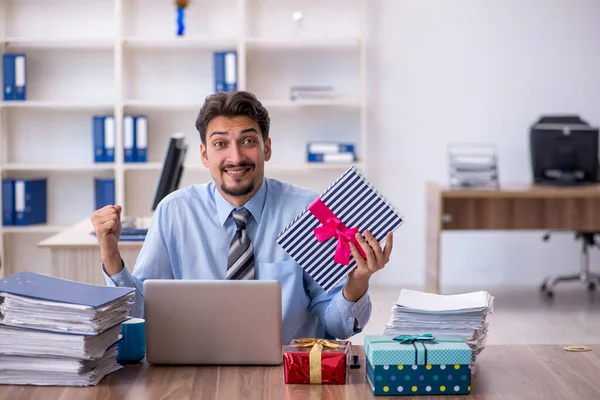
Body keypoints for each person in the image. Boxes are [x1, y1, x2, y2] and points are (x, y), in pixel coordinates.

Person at [91, 90, 394, 344]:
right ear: (204, 154)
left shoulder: (309, 212)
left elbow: (336, 327)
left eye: (248, 141)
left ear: (267, 148)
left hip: (286, 375)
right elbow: (140, 313)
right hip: (194, 371)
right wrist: (111, 255)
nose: (235, 157)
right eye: (221, 144)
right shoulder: (174, 211)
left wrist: (357, 281)